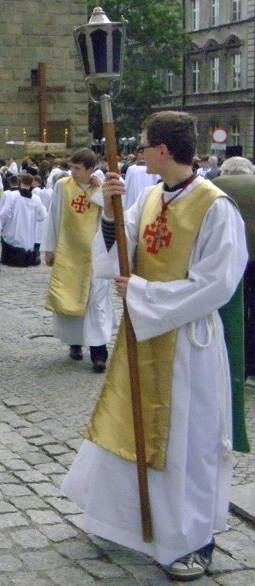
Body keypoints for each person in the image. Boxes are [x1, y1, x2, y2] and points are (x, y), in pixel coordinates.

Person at [61, 111, 247, 580]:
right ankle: (134, 522)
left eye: (142, 145)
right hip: (143, 335)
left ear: (163, 151)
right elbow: (124, 254)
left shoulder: (215, 207)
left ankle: (194, 539)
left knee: (190, 443)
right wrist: (109, 212)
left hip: (188, 345)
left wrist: (144, 296)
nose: (137, 153)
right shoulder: (148, 196)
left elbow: (217, 284)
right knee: (130, 424)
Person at [41, 148, 115, 373]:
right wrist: (49, 248)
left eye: (77, 168)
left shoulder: (100, 189)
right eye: (71, 167)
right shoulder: (63, 186)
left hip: (95, 255)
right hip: (68, 252)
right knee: (70, 297)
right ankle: (75, 343)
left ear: (91, 169)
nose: (72, 172)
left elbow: (110, 211)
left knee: (96, 304)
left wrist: (99, 183)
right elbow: (54, 216)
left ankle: (99, 352)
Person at [212, 156, 254, 380]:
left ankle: (230, 360)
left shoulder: (217, 185)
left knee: (227, 308)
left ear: (226, 171)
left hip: (230, 255)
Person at [0, 173, 47, 267]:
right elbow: (42, 216)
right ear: (32, 183)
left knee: (10, 241)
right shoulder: (36, 199)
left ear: (20, 182)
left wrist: (3, 225)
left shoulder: (12, 195)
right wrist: (32, 218)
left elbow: (4, 213)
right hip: (28, 234)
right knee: (26, 245)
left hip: (13, 231)